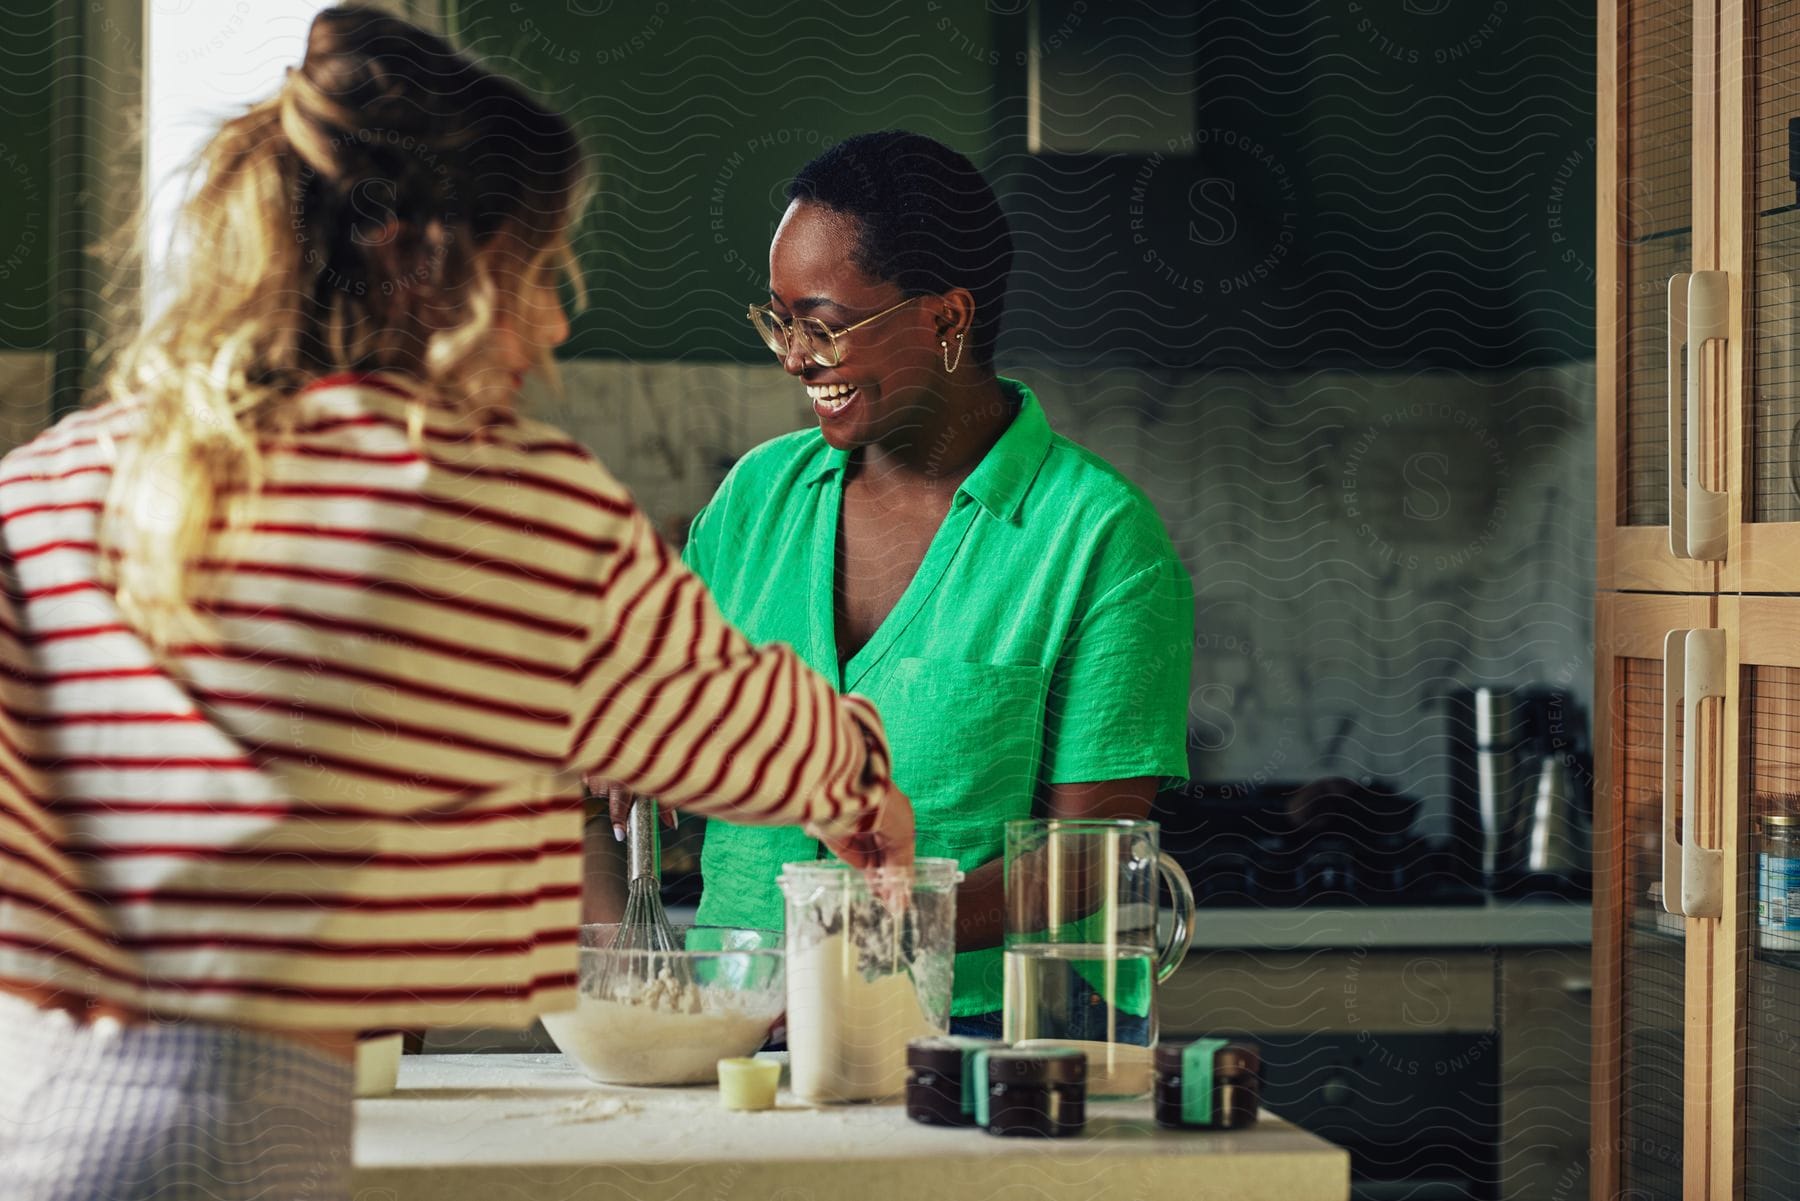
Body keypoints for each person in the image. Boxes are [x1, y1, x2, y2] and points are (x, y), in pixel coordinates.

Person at [0, 9, 911, 1198]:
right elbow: (716, 715)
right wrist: (860, 783)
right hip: (229, 1137)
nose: (554, 322)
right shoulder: (488, 496)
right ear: (427, 264)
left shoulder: (58, 475)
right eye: (536, 273)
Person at [603, 130, 1195, 1034]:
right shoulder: (756, 500)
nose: (794, 357)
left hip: (981, 1045)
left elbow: (1091, 857)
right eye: (779, 320)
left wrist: (858, 932)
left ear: (948, 320)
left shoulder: (1100, 538)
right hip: (734, 1031)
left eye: (824, 325)